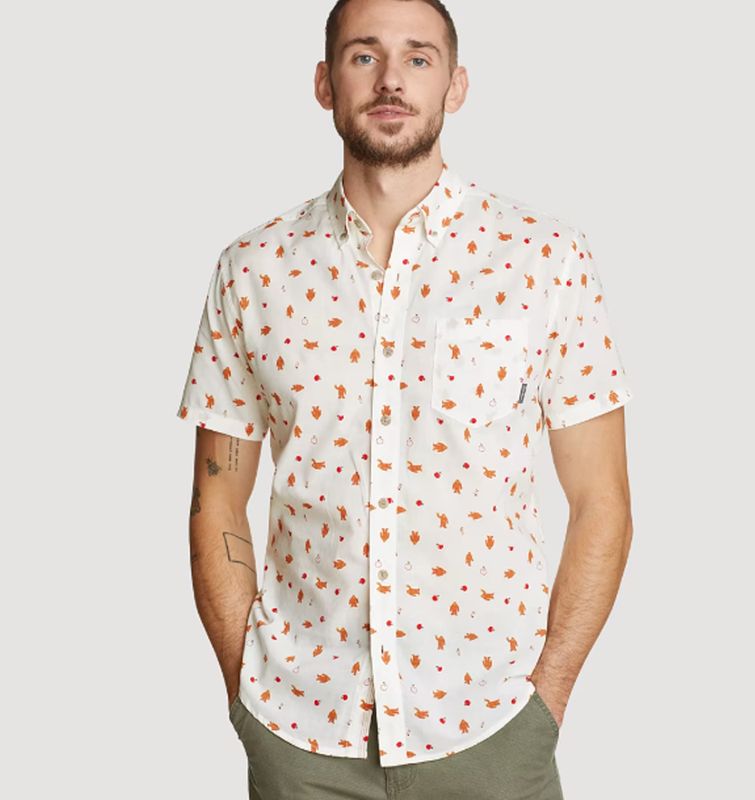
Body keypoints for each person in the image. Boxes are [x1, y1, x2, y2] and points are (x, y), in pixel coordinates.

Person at [175, 0, 635, 797]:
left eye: (418, 58)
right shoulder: (252, 271)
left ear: (456, 85)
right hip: (299, 732)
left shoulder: (545, 261)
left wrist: (547, 699)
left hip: (492, 727)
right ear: (325, 83)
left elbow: (603, 501)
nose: (391, 80)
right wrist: (244, 687)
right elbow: (215, 499)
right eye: (364, 56)